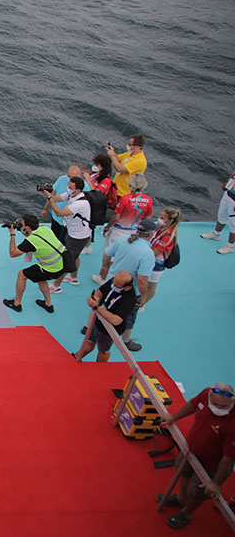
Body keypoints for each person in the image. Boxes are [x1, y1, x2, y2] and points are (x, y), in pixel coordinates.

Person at [157, 383, 235, 529]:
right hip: (190, 449)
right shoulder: (205, 394)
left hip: (212, 464)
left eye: (223, 407)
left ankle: (186, 512)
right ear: (210, 396)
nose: (218, 408)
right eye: (216, 404)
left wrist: (216, 483)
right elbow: (192, 405)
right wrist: (174, 417)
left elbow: (228, 459)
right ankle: (181, 498)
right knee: (182, 469)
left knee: (197, 491)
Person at [91, 218, 156, 352]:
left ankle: (88, 327)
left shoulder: (123, 239)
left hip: (111, 282)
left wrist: (104, 267)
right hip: (128, 291)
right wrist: (143, 297)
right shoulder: (148, 253)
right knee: (129, 316)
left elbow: (107, 254)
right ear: (150, 235)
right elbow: (142, 280)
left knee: (99, 304)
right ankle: (125, 341)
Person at [2, 213, 66, 314]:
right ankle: (48, 304)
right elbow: (32, 236)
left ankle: (16, 304)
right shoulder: (45, 229)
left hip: (51, 269)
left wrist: (12, 234)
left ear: (27, 227)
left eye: (22, 225)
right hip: (63, 264)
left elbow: (13, 253)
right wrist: (21, 229)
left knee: (22, 274)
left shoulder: (31, 241)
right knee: (40, 278)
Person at [73, 271, 135, 362]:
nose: (114, 286)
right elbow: (100, 290)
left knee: (103, 351)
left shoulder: (129, 300)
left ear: (127, 287)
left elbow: (116, 320)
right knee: (89, 341)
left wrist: (96, 307)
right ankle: (76, 357)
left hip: (108, 330)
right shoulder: (114, 282)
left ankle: (99, 368)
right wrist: (96, 298)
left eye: (117, 286)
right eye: (114, 283)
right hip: (98, 320)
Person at [43, 175, 91, 290]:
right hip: (72, 231)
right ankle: (74, 278)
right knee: (75, 256)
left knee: (67, 260)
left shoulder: (80, 203)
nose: (68, 188)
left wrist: (50, 199)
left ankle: (56, 286)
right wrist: (48, 194)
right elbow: (56, 199)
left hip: (78, 236)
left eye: (70, 187)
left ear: (78, 190)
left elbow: (60, 212)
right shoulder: (71, 195)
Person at [142, 207, 181, 310]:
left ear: (170, 221)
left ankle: (141, 304)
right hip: (150, 258)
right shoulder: (162, 229)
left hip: (157, 264)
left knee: (151, 287)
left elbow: (155, 253)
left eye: (162, 218)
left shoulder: (168, 236)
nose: (159, 219)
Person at [41, 165, 90, 244]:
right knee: (54, 238)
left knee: (63, 242)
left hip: (69, 221)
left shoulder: (84, 189)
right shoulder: (62, 181)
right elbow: (54, 196)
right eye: (68, 176)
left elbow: (59, 212)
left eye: (73, 177)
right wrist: (45, 208)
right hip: (56, 218)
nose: (70, 179)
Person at [102, 172, 153, 248]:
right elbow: (147, 219)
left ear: (130, 185)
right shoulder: (149, 200)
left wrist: (107, 228)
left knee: (110, 254)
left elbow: (116, 218)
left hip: (119, 231)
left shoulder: (125, 199)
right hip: (134, 232)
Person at [82, 153, 116, 255]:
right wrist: (84, 174)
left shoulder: (106, 180)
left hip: (97, 207)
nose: (95, 166)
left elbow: (96, 194)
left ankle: (88, 246)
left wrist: (87, 179)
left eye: (98, 165)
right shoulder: (93, 175)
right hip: (86, 203)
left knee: (89, 225)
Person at [200, 166, 235, 254]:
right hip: (228, 193)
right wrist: (227, 182)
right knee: (222, 215)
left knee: (233, 224)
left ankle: (230, 246)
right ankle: (216, 234)